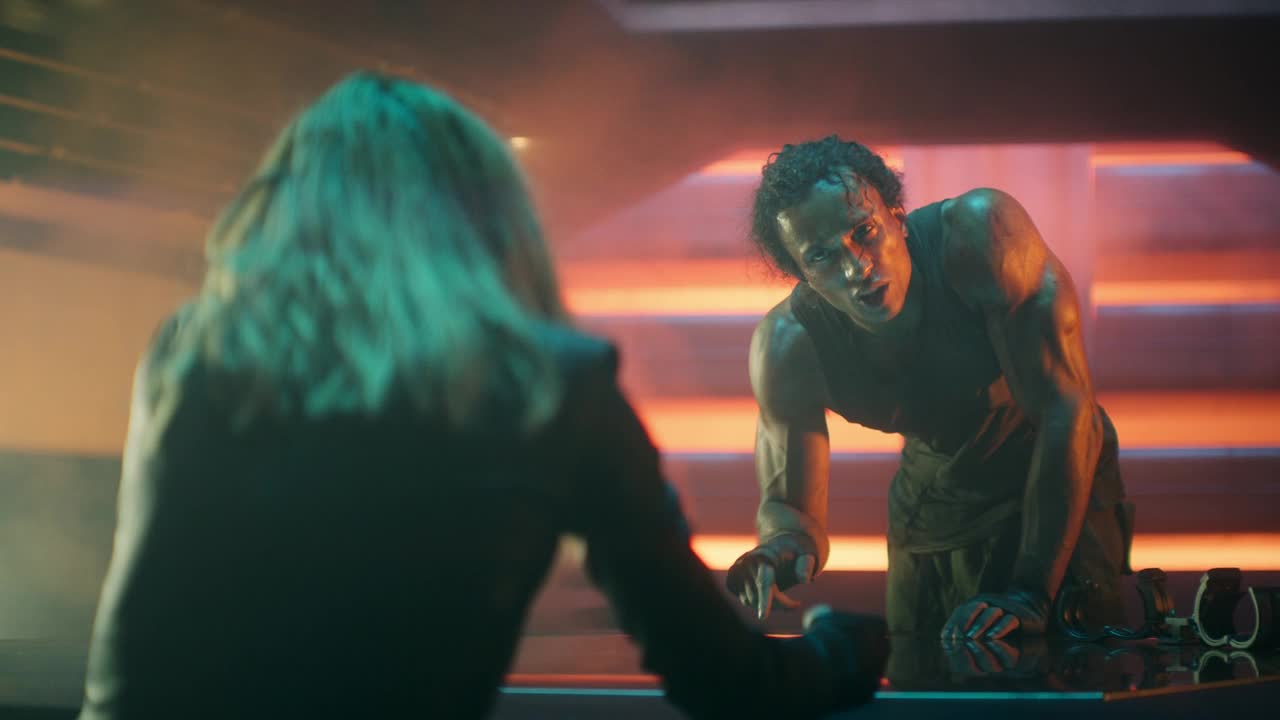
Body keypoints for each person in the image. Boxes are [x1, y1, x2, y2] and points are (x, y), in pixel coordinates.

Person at [77, 75, 889, 720]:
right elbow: (722, 680)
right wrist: (839, 651)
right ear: (484, 214)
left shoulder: (198, 355)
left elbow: (131, 665)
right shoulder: (552, 386)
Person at [725, 136, 1134, 641]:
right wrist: (779, 549)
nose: (857, 267)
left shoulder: (982, 236)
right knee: (924, 673)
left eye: (864, 231)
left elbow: (1066, 413)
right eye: (822, 256)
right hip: (934, 509)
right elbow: (792, 511)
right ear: (801, 276)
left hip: (1054, 479)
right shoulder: (789, 346)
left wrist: (1031, 592)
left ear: (897, 217)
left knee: (1072, 665)